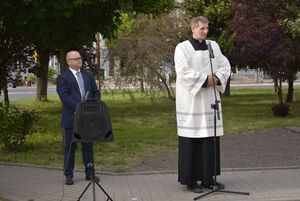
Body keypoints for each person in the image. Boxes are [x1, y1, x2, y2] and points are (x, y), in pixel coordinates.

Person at [174, 16, 231, 193]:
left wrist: (218, 78)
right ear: (193, 29)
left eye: (207, 28)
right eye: (202, 29)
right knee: (192, 141)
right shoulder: (182, 48)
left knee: (209, 140)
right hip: (192, 102)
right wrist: (206, 80)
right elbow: (183, 72)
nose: (206, 32)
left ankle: (209, 178)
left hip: (210, 101)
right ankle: (191, 181)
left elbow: (225, 64)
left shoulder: (213, 46)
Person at [56, 50, 100, 185]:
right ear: (69, 62)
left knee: (88, 146)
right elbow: (65, 97)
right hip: (71, 118)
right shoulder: (63, 78)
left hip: (87, 118)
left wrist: (93, 105)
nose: (79, 60)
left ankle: (90, 173)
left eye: (80, 58)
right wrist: (80, 108)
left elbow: (95, 92)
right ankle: (68, 175)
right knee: (70, 147)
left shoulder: (88, 75)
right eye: (76, 59)